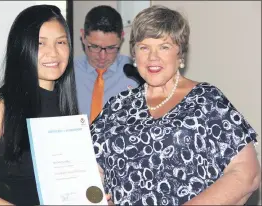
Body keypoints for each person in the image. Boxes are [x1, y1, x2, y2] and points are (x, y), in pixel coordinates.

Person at [91, 5, 261, 205]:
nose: (153, 57)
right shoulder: (117, 106)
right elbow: (90, 169)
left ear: (180, 54)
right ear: (134, 54)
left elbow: (246, 174)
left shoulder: (206, 100)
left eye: (164, 47)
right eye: (144, 47)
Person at [0, 5, 79, 205]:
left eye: (61, 42)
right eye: (40, 43)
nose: (54, 53)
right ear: (22, 47)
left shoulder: (66, 108)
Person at [74, 5, 139, 123]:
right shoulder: (68, 73)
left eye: (111, 48)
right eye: (94, 46)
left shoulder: (136, 73)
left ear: (122, 38)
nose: (102, 57)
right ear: (83, 36)